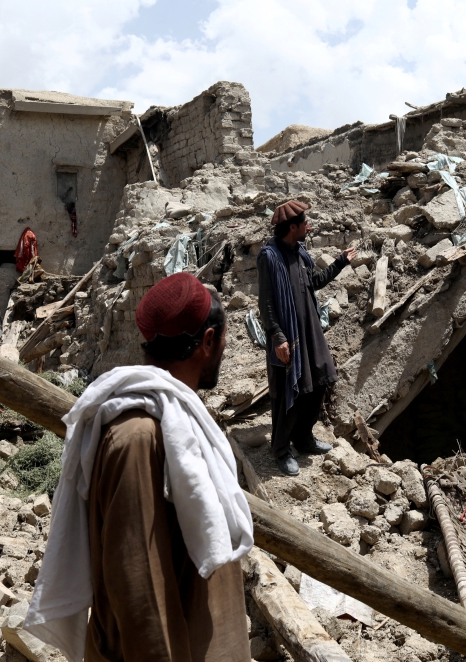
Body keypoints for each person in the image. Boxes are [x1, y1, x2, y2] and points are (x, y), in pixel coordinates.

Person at [24, 272, 255, 662]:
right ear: (209, 342)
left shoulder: (175, 420)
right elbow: (139, 582)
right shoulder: (137, 436)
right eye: (224, 341)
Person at [257, 200, 357, 476]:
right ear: (292, 227)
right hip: (287, 337)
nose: (309, 227)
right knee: (287, 392)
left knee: (321, 380)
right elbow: (265, 303)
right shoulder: (270, 257)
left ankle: (303, 438)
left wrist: (341, 262)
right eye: (305, 223)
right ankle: (281, 450)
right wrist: (277, 337)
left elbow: (313, 282)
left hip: (309, 332)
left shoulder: (300, 252)